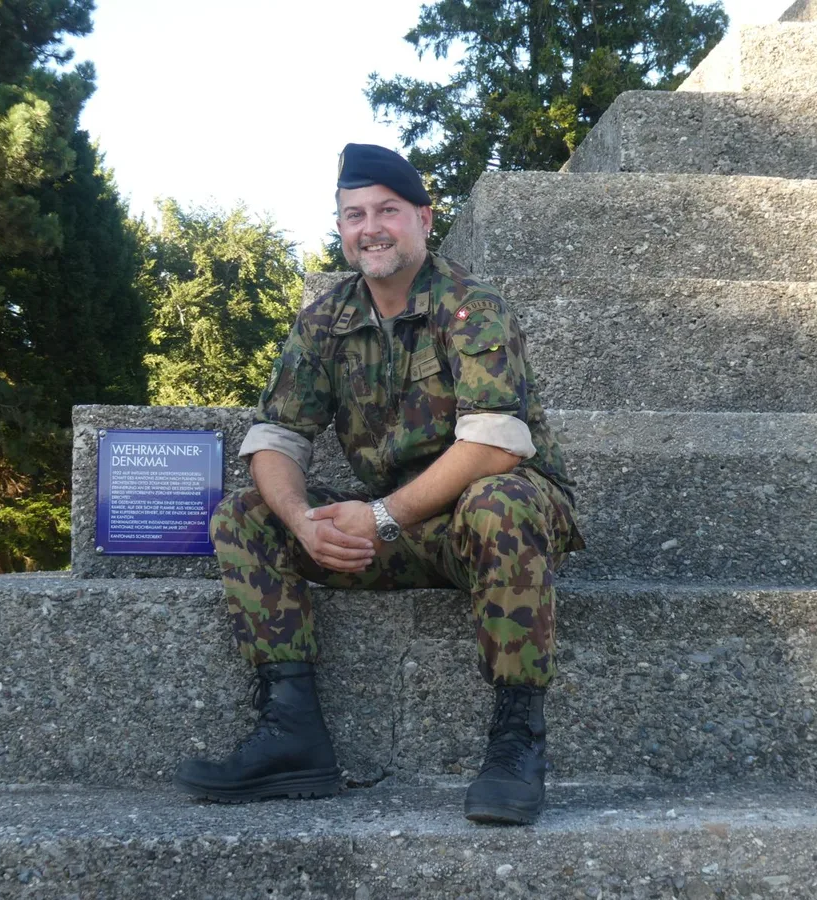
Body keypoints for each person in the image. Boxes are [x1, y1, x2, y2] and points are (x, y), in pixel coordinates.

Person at [174, 143, 584, 825]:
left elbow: (494, 445)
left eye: (388, 211)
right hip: (392, 534)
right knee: (247, 513)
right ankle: (292, 731)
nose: (371, 227)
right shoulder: (325, 322)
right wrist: (305, 520)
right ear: (339, 227)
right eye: (354, 213)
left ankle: (517, 737)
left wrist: (382, 515)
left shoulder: (470, 308)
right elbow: (276, 439)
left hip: (484, 524)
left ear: (424, 218)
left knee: (498, 500)